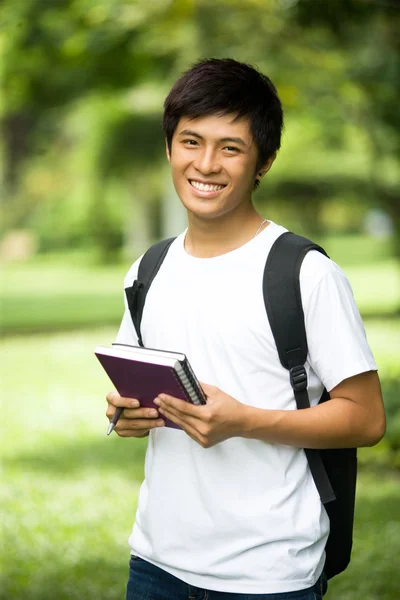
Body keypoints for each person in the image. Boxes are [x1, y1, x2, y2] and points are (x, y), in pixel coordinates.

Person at [106, 58, 386, 600]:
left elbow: (366, 418)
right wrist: (125, 414)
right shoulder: (149, 269)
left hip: (268, 573)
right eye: (191, 141)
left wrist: (243, 421)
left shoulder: (305, 273)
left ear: (264, 161)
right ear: (169, 148)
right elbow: (134, 388)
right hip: (156, 563)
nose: (205, 164)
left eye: (230, 147)